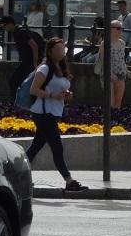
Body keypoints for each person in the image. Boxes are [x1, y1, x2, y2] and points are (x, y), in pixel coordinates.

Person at [28, 37, 87, 193]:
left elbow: (61, 87)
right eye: (58, 50)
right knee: (57, 147)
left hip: (52, 112)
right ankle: (69, 181)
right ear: (50, 51)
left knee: (34, 149)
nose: (62, 52)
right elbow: (33, 90)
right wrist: (52, 95)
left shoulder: (60, 68)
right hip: (43, 113)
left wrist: (68, 95)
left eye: (63, 49)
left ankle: (16, 176)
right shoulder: (45, 69)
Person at [1, 14, 41, 96]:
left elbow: (34, 46)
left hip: (29, 63)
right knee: (19, 83)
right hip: (26, 62)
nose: (4, 29)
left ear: (10, 24)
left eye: (4, 26)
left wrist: (35, 63)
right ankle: (20, 103)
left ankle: (19, 103)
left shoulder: (21, 32)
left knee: (14, 81)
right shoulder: (16, 32)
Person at [94, 19, 130, 109]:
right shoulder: (104, 44)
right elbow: (103, 60)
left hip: (120, 74)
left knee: (118, 103)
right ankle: (107, 121)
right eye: (118, 28)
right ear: (111, 29)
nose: (120, 30)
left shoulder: (122, 43)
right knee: (110, 103)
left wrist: (126, 70)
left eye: (122, 28)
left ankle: (115, 121)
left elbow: (121, 59)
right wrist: (110, 73)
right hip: (108, 75)